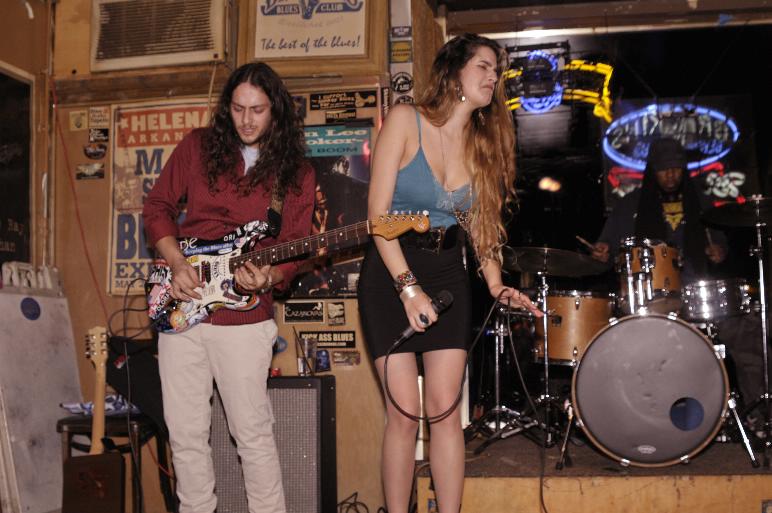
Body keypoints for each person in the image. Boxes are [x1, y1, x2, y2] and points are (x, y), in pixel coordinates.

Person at [357, 33, 541, 513]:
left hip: (447, 275)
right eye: (483, 66)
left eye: (496, 71)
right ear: (455, 71)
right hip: (391, 272)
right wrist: (408, 289)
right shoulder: (406, 120)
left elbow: (481, 230)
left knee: (444, 411)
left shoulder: (481, 145)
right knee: (404, 413)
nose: (493, 77)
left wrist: (496, 285)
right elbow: (377, 218)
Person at [142, 62, 315, 513]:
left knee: (252, 435)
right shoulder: (197, 147)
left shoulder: (294, 172)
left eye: (258, 110)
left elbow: (296, 245)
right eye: (238, 109)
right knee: (185, 436)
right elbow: (157, 207)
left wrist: (269, 276)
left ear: (276, 111)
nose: (247, 120)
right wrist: (176, 262)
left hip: (245, 319)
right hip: (183, 308)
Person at [591, 137, 726, 280]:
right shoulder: (630, 204)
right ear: (652, 171)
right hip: (647, 285)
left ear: (684, 169)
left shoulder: (701, 202)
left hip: (695, 284)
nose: (670, 174)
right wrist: (602, 252)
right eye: (663, 169)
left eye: (676, 168)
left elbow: (719, 242)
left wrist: (719, 251)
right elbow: (608, 247)